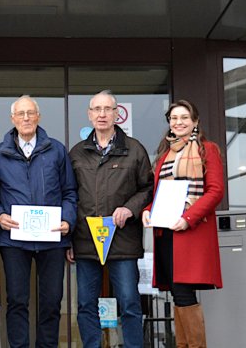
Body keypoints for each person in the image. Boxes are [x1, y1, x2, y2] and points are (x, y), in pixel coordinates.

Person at [0, 95, 77, 348]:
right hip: (14, 239)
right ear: (12, 119)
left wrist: (68, 221)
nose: (26, 118)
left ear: (38, 117)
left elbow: (70, 192)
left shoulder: (56, 150)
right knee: (16, 300)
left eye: (30, 113)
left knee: (51, 301)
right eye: (21, 114)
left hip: (53, 238)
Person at [67, 90, 154, 348]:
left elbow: (148, 188)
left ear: (117, 114)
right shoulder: (76, 153)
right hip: (85, 240)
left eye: (107, 109)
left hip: (123, 240)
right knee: (85, 304)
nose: (102, 114)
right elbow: (69, 195)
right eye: (97, 109)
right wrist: (69, 237)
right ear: (89, 114)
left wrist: (129, 209)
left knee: (128, 302)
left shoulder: (135, 150)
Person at [142, 100, 224, 348]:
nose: (178, 122)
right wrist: (148, 211)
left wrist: (188, 219)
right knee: (178, 294)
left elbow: (216, 191)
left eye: (184, 117)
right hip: (166, 232)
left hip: (192, 232)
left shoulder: (207, 149)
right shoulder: (165, 154)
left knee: (184, 292)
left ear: (195, 121)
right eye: (173, 118)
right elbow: (159, 194)